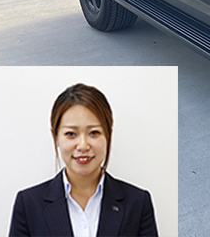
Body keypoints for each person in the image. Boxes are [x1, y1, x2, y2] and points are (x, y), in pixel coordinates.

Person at [9, 84, 158, 237]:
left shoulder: (137, 203)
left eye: (94, 133)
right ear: (55, 137)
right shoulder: (28, 205)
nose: (83, 146)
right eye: (71, 134)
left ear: (108, 134)